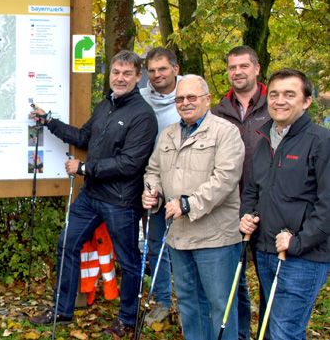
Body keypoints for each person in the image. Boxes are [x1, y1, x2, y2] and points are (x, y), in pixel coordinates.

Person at [29, 50, 158, 337]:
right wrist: (49, 120)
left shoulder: (143, 115)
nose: (120, 78)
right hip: (91, 197)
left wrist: (84, 168)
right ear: (110, 74)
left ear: (139, 77)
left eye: (127, 73)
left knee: (129, 261)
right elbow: (83, 137)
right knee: (67, 244)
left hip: (121, 201)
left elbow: (129, 164)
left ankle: (128, 318)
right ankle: (62, 310)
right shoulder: (105, 105)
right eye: (116, 72)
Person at [143, 75, 245, 340]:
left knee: (219, 306)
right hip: (179, 236)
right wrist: (152, 191)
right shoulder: (168, 134)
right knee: (189, 304)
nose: (185, 103)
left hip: (216, 237)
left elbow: (225, 179)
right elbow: (153, 170)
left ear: (207, 99)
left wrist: (188, 204)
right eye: (180, 98)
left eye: (192, 97)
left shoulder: (225, 132)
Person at [240, 68, 330, 340]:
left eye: (290, 94)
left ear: (306, 101)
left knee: (284, 333)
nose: (280, 100)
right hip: (266, 251)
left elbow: (327, 204)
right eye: (275, 94)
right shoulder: (264, 139)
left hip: (303, 257)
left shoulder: (321, 141)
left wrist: (299, 241)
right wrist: (246, 215)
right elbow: (253, 190)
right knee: (269, 329)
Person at [212, 45, 270, 340]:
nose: (237, 72)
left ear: (257, 68)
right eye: (232, 67)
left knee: (268, 279)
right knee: (235, 280)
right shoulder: (219, 111)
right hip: (231, 206)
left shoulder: (274, 105)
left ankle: (267, 333)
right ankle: (240, 334)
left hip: (269, 206)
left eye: (243, 66)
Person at [138, 47, 180, 325]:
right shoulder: (141, 99)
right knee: (156, 245)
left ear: (175, 69)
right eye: (151, 70)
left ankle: (187, 303)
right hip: (150, 187)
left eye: (162, 69)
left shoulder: (189, 95)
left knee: (185, 247)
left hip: (184, 187)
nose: (156, 75)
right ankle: (163, 300)